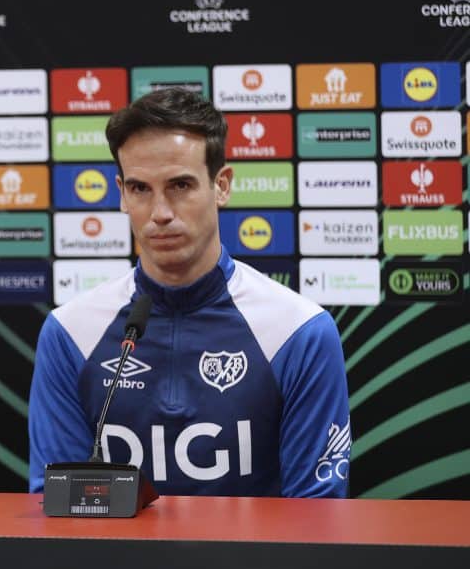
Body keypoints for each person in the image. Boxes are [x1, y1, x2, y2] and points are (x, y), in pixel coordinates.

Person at [28, 88, 351, 497]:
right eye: (140, 188)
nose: (160, 213)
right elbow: (58, 504)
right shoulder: (70, 332)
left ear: (222, 185)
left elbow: (316, 518)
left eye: (180, 185)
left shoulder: (300, 331)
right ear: (123, 194)